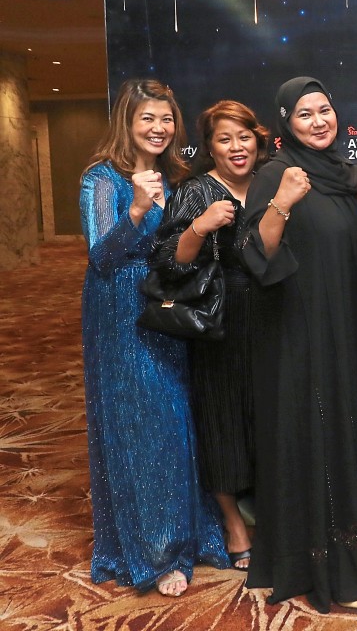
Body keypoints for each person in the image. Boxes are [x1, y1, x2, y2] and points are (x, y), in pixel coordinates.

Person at [241, 77, 357, 612]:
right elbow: (256, 254)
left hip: (353, 328)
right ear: (287, 122)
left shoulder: (348, 175)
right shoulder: (275, 174)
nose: (319, 121)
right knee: (319, 438)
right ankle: (328, 569)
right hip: (301, 334)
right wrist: (283, 203)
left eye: (325, 110)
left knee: (352, 435)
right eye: (305, 113)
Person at [79, 78, 228, 598]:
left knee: (173, 418)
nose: (158, 128)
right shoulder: (102, 178)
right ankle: (153, 550)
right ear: (128, 122)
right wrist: (137, 210)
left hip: (167, 308)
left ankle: (187, 534)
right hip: (119, 310)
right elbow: (101, 255)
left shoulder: (179, 177)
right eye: (148, 118)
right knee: (134, 422)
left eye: (166, 119)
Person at [151, 100, 271, 571]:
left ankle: (271, 516)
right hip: (220, 318)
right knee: (221, 420)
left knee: (268, 417)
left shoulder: (271, 184)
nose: (236, 147)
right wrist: (200, 226)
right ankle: (234, 526)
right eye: (224, 139)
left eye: (244, 137)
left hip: (273, 315)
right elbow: (169, 263)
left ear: (258, 139)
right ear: (210, 147)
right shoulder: (197, 191)